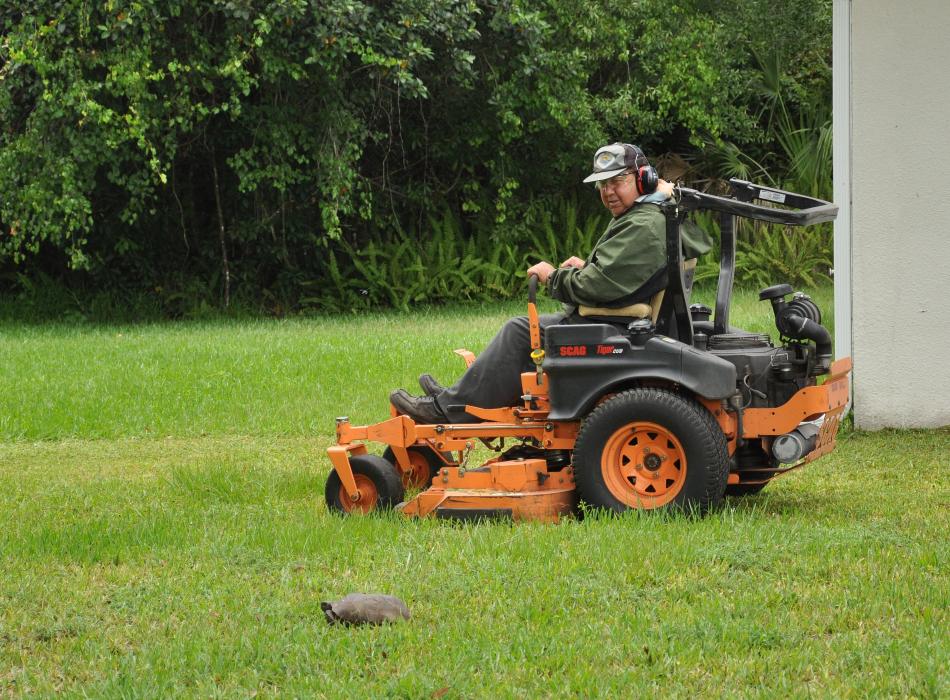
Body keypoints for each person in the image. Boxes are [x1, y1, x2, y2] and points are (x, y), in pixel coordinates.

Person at [389, 142, 677, 424]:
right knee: (525, 330)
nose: (608, 192)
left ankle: (450, 409)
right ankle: (460, 396)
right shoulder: (647, 214)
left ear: (643, 179)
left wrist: (553, 276)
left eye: (616, 181)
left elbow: (596, 286)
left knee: (520, 331)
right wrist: (586, 267)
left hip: (613, 328)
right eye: (602, 185)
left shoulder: (643, 223)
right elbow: (619, 275)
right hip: (618, 319)